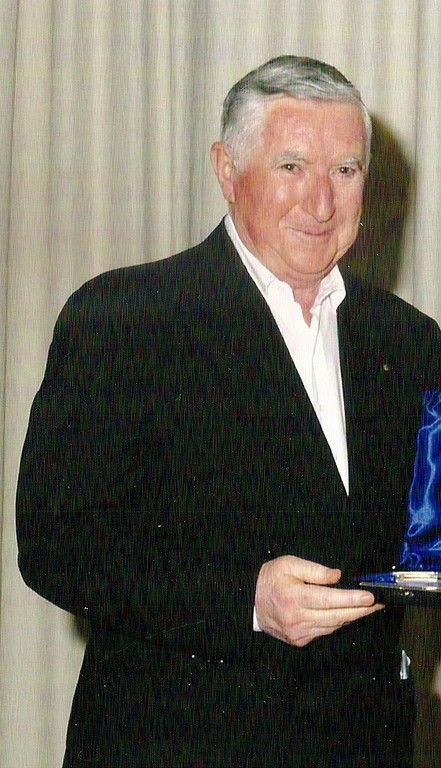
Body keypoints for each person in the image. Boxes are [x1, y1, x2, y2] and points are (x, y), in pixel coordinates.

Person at [16, 56, 441, 768]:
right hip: (174, 743)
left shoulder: (410, 341)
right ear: (226, 169)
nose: (321, 203)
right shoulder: (122, 320)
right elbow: (58, 546)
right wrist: (244, 599)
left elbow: (419, 536)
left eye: (344, 170)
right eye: (291, 167)